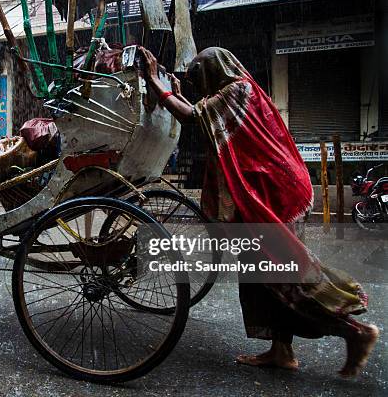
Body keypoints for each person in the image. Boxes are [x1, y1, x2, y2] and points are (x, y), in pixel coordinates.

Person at [140, 46, 379, 377]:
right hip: (274, 190)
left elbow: (193, 116)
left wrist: (155, 82)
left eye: (200, 79)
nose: (201, 88)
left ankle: (354, 332)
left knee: (284, 277)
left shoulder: (236, 90)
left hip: (271, 196)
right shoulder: (242, 89)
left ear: (212, 72)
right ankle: (282, 351)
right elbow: (200, 113)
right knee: (262, 279)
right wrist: (175, 94)